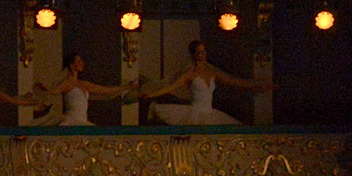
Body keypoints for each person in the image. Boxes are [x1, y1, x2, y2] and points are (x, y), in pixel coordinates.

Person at [140, 41, 274, 126]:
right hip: (195, 114)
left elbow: (233, 81)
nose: (203, 55)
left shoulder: (212, 71)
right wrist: (151, 94)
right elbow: (171, 86)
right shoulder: (190, 73)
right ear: (193, 55)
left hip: (210, 113)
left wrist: (258, 85)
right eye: (199, 52)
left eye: (204, 52)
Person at [29, 54, 133, 127]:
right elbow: (54, 91)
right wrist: (44, 87)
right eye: (79, 61)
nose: (82, 63)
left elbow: (105, 90)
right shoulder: (67, 83)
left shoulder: (84, 84)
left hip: (83, 121)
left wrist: (126, 87)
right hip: (71, 121)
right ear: (72, 65)